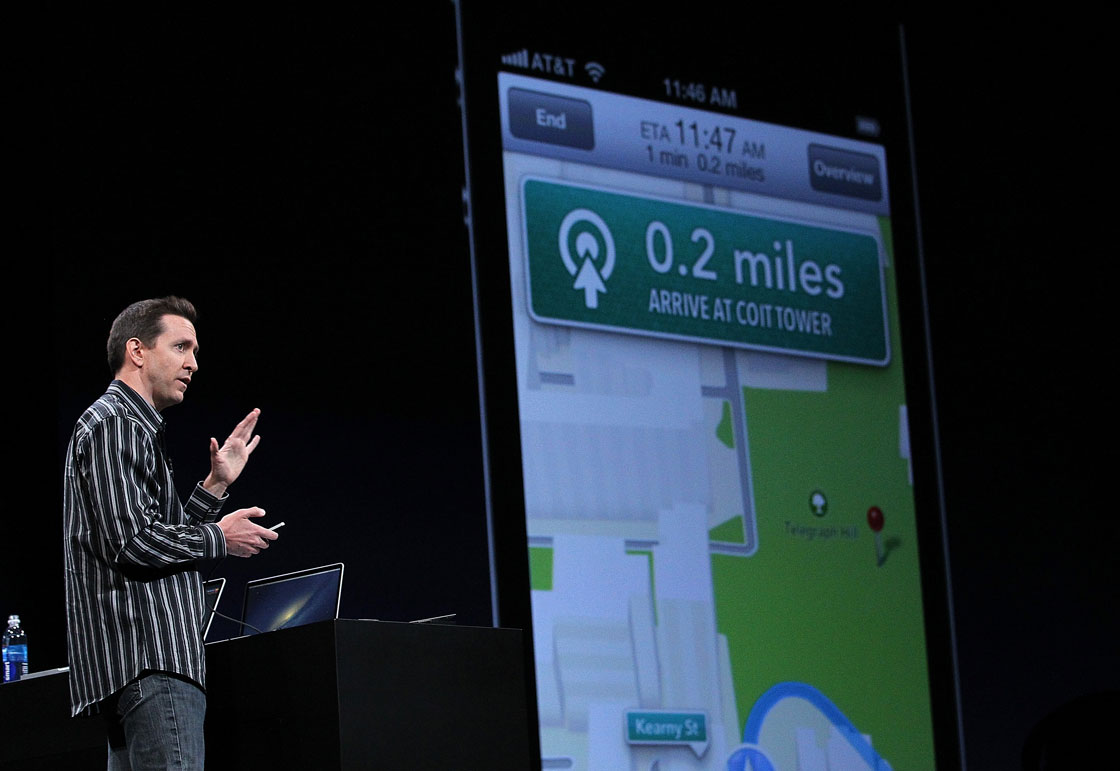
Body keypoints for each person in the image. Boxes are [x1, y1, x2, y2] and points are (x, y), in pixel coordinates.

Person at [63, 296, 279, 770]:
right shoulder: (117, 424)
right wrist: (221, 537)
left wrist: (215, 485)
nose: (193, 363)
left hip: (139, 666)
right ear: (136, 351)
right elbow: (134, 543)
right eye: (181, 347)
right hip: (151, 660)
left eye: (195, 351)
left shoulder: (130, 427)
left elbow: (157, 538)